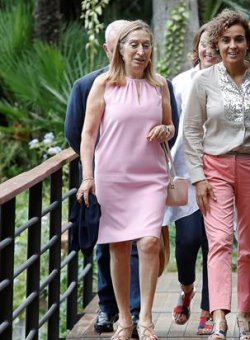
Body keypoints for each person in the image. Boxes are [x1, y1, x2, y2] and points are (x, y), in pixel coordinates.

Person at [64, 19, 179, 337]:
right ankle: (125, 320)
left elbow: (170, 126)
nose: (141, 51)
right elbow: (87, 135)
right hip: (112, 176)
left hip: (150, 176)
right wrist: (88, 177)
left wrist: (164, 130)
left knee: (150, 241)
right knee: (117, 247)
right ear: (120, 49)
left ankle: (145, 318)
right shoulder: (103, 84)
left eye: (146, 45)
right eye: (134, 44)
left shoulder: (160, 85)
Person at [182, 9, 250, 340]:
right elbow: (193, 131)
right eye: (225, 40)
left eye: (239, 39)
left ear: (249, 41)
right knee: (220, 241)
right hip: (216, 168)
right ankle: (220, 318)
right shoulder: (204, 81)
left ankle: (245, 316)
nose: (233, 45)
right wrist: (198, 177)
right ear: (216, 43)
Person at [166, 22, 219, 335]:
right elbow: (170, 124)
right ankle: (187, 288)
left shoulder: (232, 80)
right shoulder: (180, 82)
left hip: (220, 174)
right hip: (184, 172)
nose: (209, 50)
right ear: (196, 46)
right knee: (186, 242)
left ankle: (208, 311)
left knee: (215, 244)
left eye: (216, 44)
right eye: (204, 43)